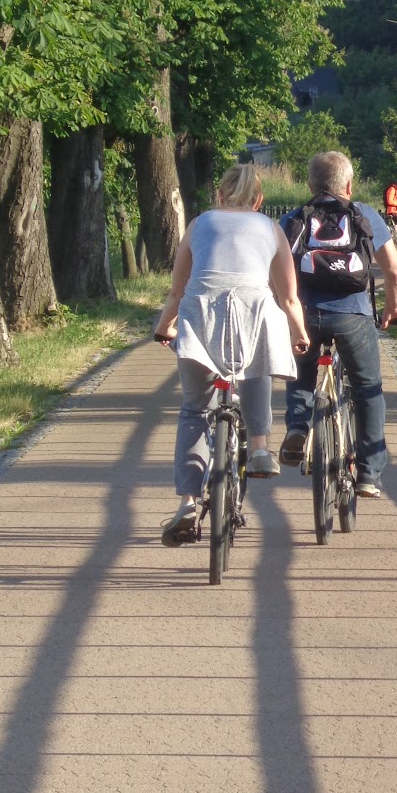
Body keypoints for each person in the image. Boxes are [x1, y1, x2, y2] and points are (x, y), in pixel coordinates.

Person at [154, 164, 310, 547]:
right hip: (254, 311)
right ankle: (259, 448)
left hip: (201, 315)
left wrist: (164, 327)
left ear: (219, 195)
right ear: (259, 200)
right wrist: (300, 334)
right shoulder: (270, 228)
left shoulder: (199, 224)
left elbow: (177, 291)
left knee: (195, 409)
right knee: (257, 363)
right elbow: (288, 297)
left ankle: (188, 503)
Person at [279, 151, 397, 497]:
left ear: (310, 185)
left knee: (300, 375)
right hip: (353, 316)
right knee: (368, 388)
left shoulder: (293, 219)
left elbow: (275, 274)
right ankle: (368, 474)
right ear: (349, 185)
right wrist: (392, 308)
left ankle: (298, 426)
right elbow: (395, 271)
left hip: (305, 316)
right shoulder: (365, 214)